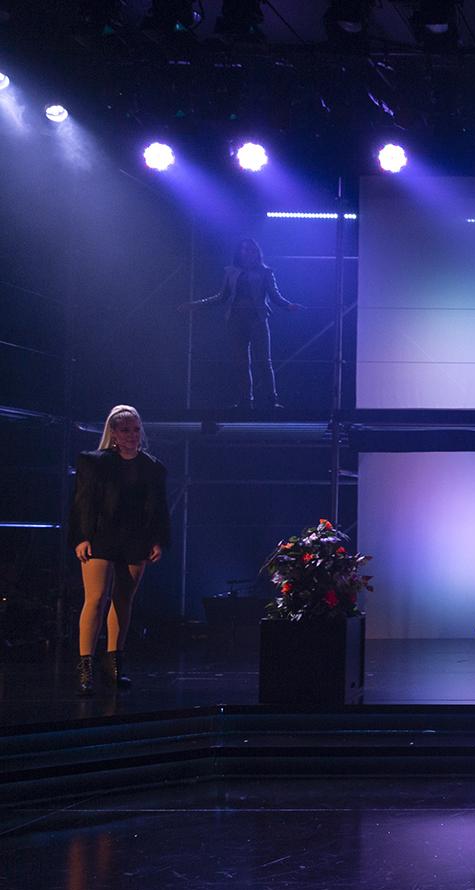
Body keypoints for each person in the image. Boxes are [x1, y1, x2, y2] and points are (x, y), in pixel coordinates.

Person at [67, 405, 171, 696]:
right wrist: (82, 537)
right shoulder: (94, 462)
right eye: (125, 430)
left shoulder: (152, 467)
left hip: (135, 538)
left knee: (123, 600)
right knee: (96, 599)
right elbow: (83, 502)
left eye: (136, 429)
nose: (132, 435)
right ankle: (85, 666)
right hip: (101, 535)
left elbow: (158, 508)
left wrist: (157, 540)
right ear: (113, 432)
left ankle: (113, 663)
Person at [181, 238, 301, 410]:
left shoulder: (265, 272)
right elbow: (221, 297)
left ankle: (271, 400)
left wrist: (288, 305)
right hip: (236, 320)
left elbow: (274, 296)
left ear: (256, 252)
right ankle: (246, 400)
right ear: (239, 253)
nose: (247, 253)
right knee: (241, 362)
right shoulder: (231, 272)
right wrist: (196, 305)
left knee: (263, 361)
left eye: (251, 249)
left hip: (257, 319)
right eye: (244, 250)